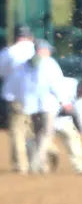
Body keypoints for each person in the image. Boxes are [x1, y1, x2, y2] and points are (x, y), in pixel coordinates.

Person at [6, 40, 70, 174]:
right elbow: (57, 84)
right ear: (42, 50)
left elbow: (16, 85)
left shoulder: (25, 65)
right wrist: (65, 101)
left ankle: (35, 164)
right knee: (46, 134)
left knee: (36, 135)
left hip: (30, 107)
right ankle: (39, 163)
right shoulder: (50, 63)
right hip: (47, 106)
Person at [0, 25, 37, 168]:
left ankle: (21, 164)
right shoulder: (36, 50)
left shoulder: (8, 52)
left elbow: (1, 73)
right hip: (37, 97)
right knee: (34, 129)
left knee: (17, 130)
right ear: (30, 36)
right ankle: (40, 158)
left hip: (15, 96)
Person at [50, 75, 82, 175]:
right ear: (81, 85)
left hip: (62, 119)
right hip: (43, 115)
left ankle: (81, 169)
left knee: (73, 138)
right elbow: (52, 88)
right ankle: (48, 153)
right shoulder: (66, 83)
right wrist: (63, 101)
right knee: (35, 141)